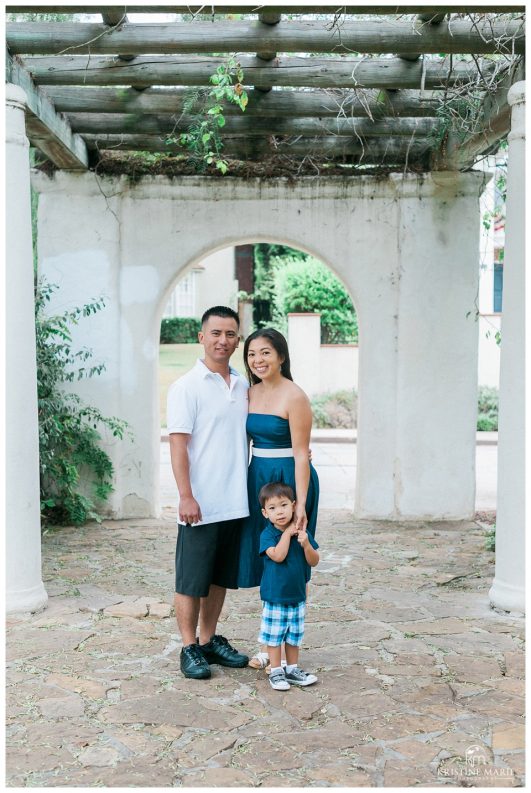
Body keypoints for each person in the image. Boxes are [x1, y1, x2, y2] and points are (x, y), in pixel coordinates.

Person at [167, 306, 250, 680]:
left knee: (218, 578)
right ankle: (188, 647)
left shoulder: (245, 385)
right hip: (199, 504)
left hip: (236, 502)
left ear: (238, 339)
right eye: (216, 333)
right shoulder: (186, 387)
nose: (223, 340)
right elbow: (178, 445)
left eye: (230, 334)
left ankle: (208, 640)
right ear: (201, 337)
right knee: (190, 580)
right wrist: (186, 495)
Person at [237, 327, 320, 670]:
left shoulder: (295, 396)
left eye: (266, 353)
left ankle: (285, 648)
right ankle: (268, 646)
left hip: (289, 482)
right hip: (259, 481)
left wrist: (300, 502)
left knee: (289, 561)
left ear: (281, 356)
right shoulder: (248, 392)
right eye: (252, 354)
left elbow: (302, 454)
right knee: (265, 557)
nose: (258, 360)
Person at [257, 482, 319, 690]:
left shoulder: (303, 532)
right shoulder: (267, 535)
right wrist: (286, 534)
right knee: (275, 637)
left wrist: (306, 544)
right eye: (272, 508)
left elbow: (314, 560)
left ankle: (292, 669)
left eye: (283, 505)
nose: (280, 512)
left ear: (293, 506)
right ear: (265, 513)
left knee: (293, 636)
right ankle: (276, 671)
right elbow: (278, 555)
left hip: (297, 595)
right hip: (275, 596)